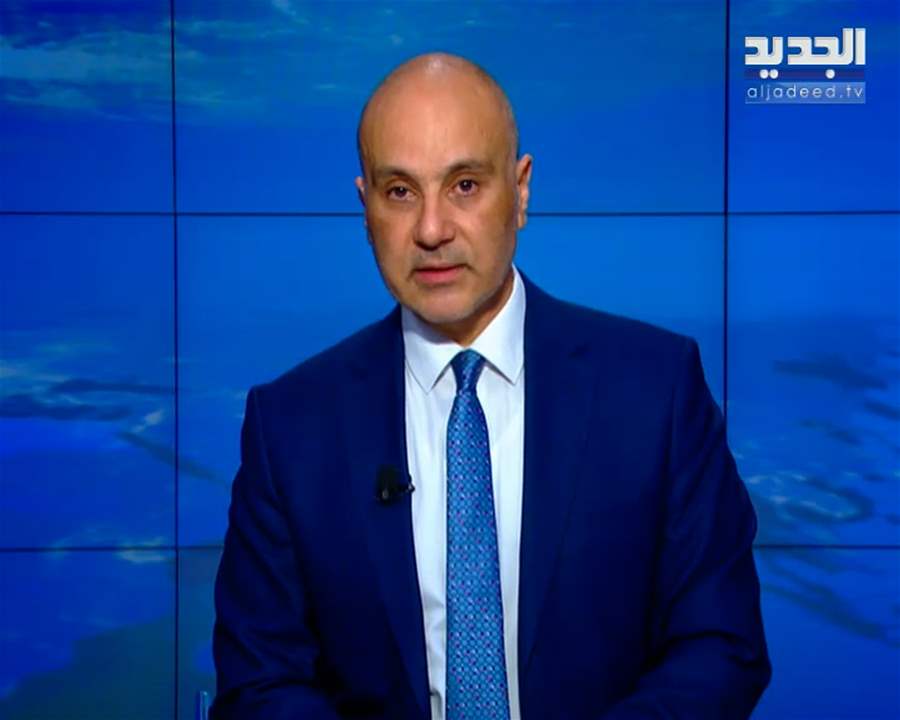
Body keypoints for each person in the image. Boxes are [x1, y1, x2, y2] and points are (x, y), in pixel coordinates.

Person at [211, 52, 771, 719]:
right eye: (400, 192)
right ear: (365, 207)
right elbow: (261, 683)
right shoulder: (290, 427)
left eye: (465, 185)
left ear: (521, 190)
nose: (431, 230)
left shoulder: (656, 391)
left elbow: (720, 646)